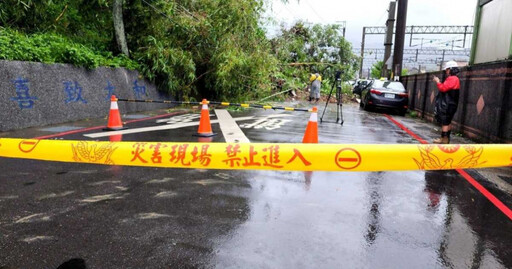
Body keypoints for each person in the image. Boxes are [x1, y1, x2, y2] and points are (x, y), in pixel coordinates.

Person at [432, 60, 460, 144]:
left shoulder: (452, 79)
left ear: (451, 69)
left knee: (445, 121)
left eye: (447, 69)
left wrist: (437, 82)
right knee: (448, 121)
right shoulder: (455, 79)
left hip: (448, 104)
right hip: (452, 104)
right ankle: (446, 138)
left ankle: (443, 139)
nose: (446, 71)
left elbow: (443, 88)